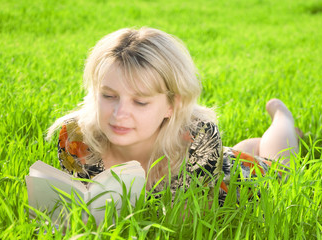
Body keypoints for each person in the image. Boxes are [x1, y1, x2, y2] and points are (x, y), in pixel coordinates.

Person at [47, 27, 301, 204]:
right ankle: (245, 148)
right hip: (215, 161)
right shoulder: (75, 138)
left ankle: (282, 116)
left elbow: (184, 222)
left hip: (229, 178)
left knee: (281, 169)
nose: (119, 114)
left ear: (172, 105)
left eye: (140, 101)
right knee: (238, 152)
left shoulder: (199, 138)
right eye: (109, 96)